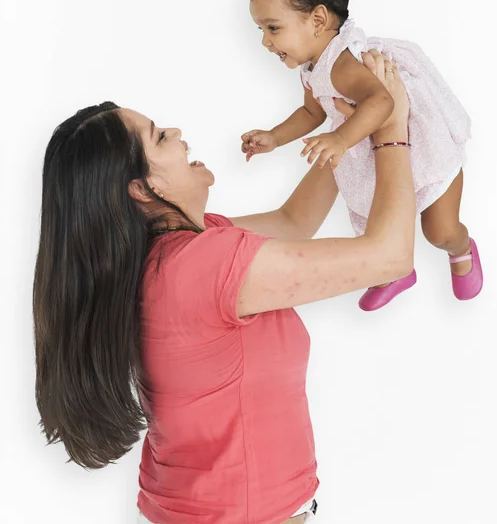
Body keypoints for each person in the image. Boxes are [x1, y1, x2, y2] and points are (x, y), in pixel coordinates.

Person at [34, 51, 414, 524]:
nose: (175, 132)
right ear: (140, 188)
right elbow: (389, 257)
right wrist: (392, 132)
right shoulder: (202, 265)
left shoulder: (174, 253)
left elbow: (293, 222)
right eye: (159, 136)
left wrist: (347, 130)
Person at [242, 0, 483, 311]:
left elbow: (383, 102)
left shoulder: (341, 62)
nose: (265, 41)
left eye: (272, 28)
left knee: (440, 231)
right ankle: (395, 270)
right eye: (261, 29)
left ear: (318, 20)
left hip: (422, 145)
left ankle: (461, 248)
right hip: (377, 148)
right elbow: (312, 112)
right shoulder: (312, 67)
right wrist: (274, 137)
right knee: (380, 217)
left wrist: (341, 138)